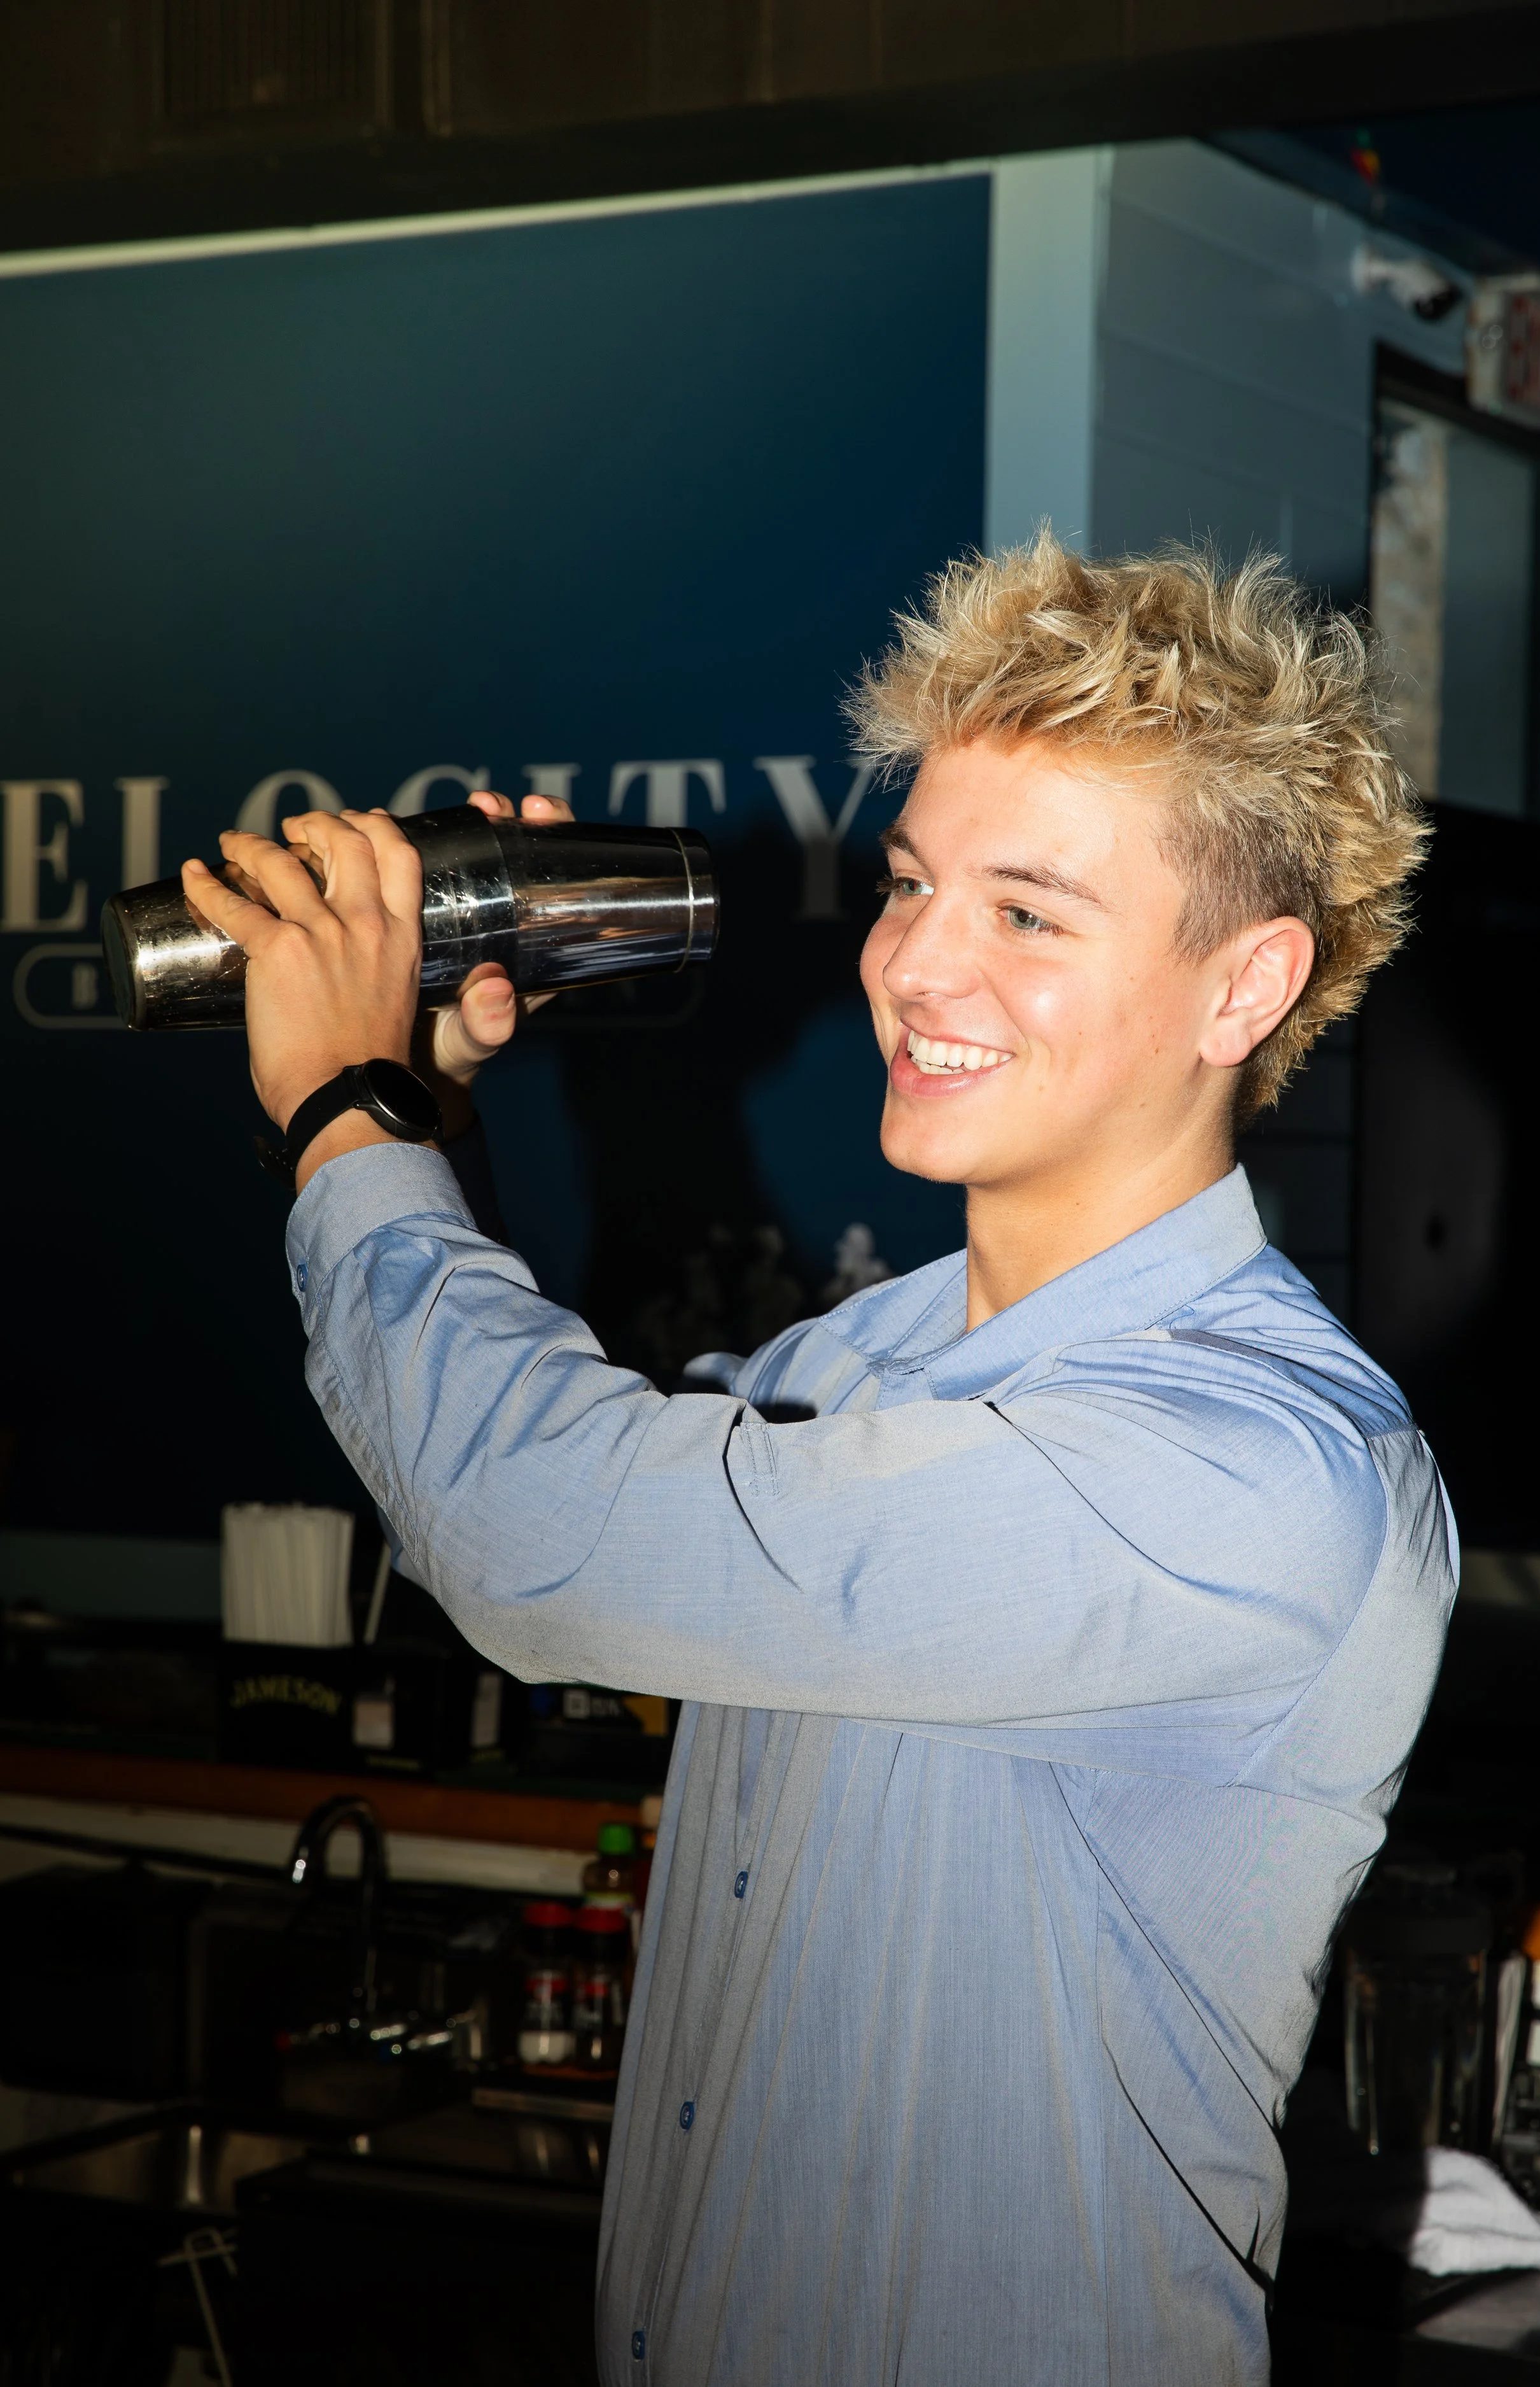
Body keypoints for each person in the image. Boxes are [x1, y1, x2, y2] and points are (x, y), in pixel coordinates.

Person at [186, 535, 1453, 2386]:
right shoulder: (844, 1363)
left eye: (1027, 912)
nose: (913, 961)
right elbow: (606, 1491)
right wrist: (438, 1095)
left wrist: (346, 1110)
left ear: (1241, 988)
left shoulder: (1257, 1467)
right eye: (911, 881)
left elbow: (544, 1529)